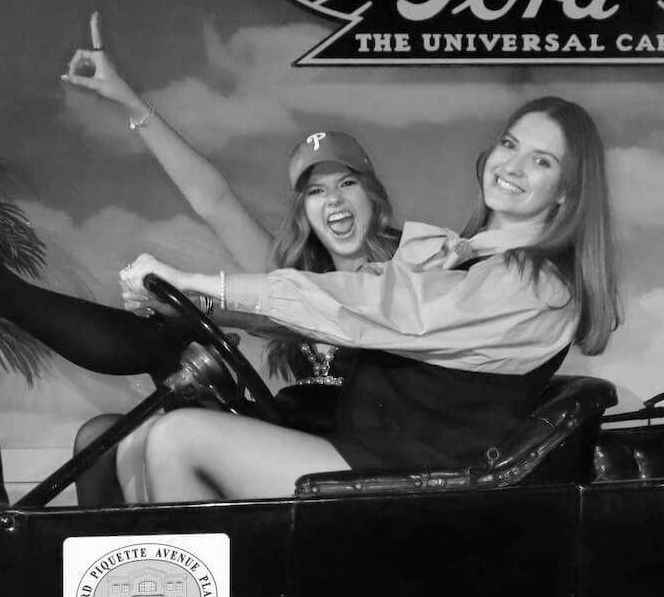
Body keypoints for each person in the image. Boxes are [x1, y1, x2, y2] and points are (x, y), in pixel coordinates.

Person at [116, 94, 622, 503]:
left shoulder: (536, 285)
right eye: (509, 145)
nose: (511, 165)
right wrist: (192, 301)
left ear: (566, 191)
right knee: (134, 443)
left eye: (541, 160)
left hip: (419, 485)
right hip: (368, 455)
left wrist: (200, 282)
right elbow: (295, 315)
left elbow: (374, 303)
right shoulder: (458, 256)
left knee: (175, 439)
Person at [0, 13, 399, 503]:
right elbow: (215, 203)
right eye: (316, 191)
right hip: (284, 428)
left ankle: (1, 291)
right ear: (305, 209)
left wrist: (202, 302)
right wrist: (128, 101)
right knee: (103, 438)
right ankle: (119, 574)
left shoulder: (409, 271)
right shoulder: (293, 274)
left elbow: (319, 315)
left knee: (160, 396)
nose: (333, 201)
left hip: (347, 454)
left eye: (347, 183)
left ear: (373, 194)